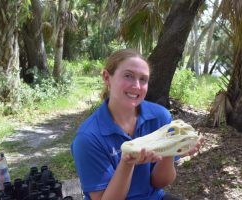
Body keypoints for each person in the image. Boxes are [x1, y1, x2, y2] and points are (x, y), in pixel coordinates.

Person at [71, 49, 201, 200]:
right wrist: (127, 163)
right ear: (107, 77)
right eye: (128, 76)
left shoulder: (160, 117)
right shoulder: (88, 138)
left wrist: (171, 149)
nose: (137, 86)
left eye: (143, 79)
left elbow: (159, 183)